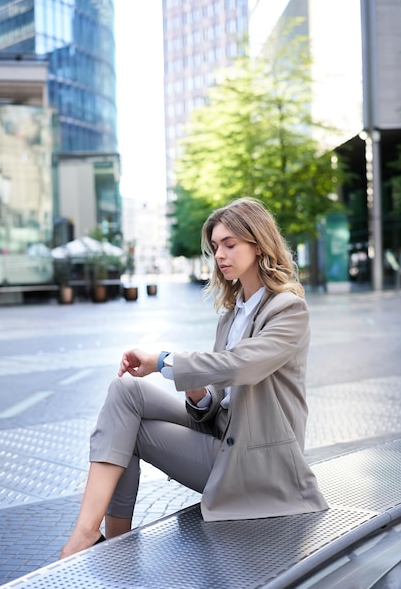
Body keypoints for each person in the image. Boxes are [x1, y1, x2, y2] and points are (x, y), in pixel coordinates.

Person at [60, 197, 328, 559]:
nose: (220, 255)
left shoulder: (288, 309)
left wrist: (164, 361)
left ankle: (110, 547)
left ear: (259, 243)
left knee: (127, 432)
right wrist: (200, 393)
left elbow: (242, 365)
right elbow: (217, 399)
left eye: (230, 245)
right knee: (126, 391)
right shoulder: (232, 316)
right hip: (221, 436)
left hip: (255, 465)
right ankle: (91, 535)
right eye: (216, 246)